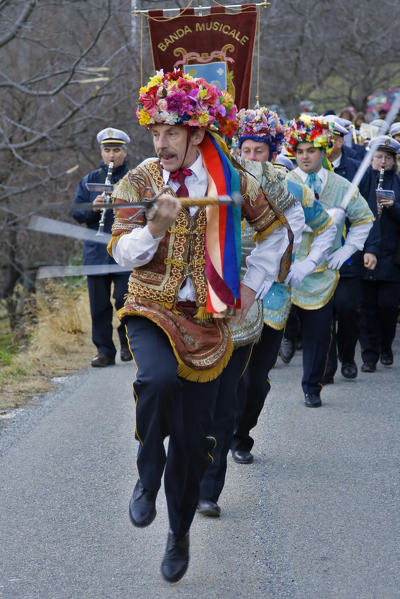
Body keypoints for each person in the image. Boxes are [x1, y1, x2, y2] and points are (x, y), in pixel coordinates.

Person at [107, 70, 290, 583]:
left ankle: (179, 532)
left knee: (191, 443)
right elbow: (122, 252)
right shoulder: (140, 180)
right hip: (150, 308)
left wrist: (249, 290)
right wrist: (154, 226)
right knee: (157, 380)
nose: (160, 143)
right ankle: (146, 472)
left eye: (171, 132)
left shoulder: (233, 179)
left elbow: (276, 234)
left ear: (197, 132)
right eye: (155, 132)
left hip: (210, 321)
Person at [197, 107, 307, 516]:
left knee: (247, 384)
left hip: (257, 292)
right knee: (191, 394)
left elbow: (293, 223)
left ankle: (226, 456)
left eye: (259, 149)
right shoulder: (175, 173)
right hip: (197, 298)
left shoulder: (272, 181)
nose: (250, 155)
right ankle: (187, 470)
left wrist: (262, 273)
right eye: (245, 147)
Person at [283, 115, 374, 407]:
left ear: (323, 151)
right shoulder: (284, 183)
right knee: (274, 333)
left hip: (323, 274)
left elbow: (363, 219)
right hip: (283, 273)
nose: (305, 156)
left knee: (319, 333)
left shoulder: (342, 185)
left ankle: (312, 386)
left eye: (311, 150)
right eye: (300, 151)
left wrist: (347, 250)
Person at [322, 117, 380, 382]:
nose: (327, 143)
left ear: (341, 140)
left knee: (347, 309)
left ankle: (347, 355)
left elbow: (369, 215)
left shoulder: (360, 171)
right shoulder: (312, 169)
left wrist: (371, 249)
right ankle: (327, 364)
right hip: (318, 257)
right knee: (322, 313)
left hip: (349, 254)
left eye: (332, 138)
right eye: (322, 137)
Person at [70, 127, 132, 367]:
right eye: (107, 150)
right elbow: (75, 212)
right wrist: (93, 208)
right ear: (102, 152)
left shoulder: (134, 178)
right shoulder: (89, 180)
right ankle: (105, 351)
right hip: (96, 253)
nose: (112, 155)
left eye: (117, 150)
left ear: (125, 152)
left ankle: (128, 343)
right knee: (99, 306)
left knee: (124, 299)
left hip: (125, 250)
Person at [359, 136, 400, 371]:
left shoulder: (398, 181)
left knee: (388, 306)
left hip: (392, 255)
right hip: (366, 251)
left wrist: (392, 207)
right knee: (366, 307)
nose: (382, 161)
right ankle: (369, 355)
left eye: (387, 158)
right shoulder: (364, 180)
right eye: (378, 157)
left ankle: (386, 345)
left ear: (394, 161)